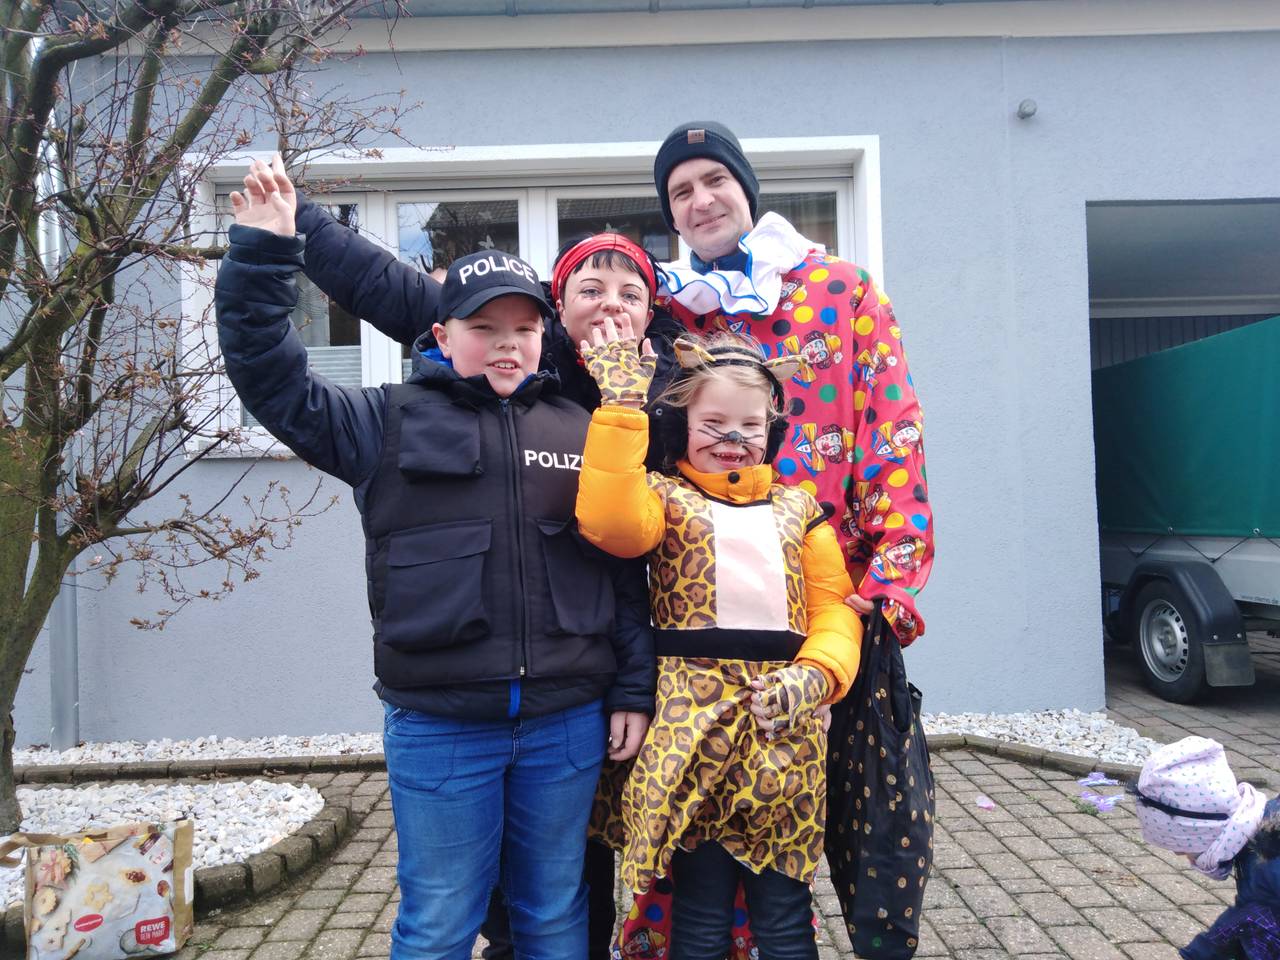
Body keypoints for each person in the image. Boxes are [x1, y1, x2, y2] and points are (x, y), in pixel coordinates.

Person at [215, 157, 655, 959]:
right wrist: (264, 253)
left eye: (523, 329)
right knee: (440, 918)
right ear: (443, 336)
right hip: (443, 727)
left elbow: (620, 570)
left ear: (543, 336)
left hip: (565, 724)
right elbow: (271, 380)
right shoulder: (382, 422)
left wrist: (631, 687)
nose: (506, 344)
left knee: (556, 911)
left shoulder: (585, 428)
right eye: (484, 328)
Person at [575, 320, 863, 960]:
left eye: (750, 426)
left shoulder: (801, 510)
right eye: (713, 424)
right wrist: (620, 410)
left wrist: (818, 674)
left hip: (786, 734)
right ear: (681, 426)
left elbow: (833, 609)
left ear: (772, 431)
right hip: (692, 734)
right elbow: (609, 523)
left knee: (784, 913)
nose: (733, 439)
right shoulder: (663, 498)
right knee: (700, 909)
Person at [650, 121, 933, 644]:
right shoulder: (666, 309)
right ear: (672, 216)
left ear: (746, 189)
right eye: (681, 192)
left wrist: (890, 581)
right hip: (698, 607)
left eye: (716, 180)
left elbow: (892, 433)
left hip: (830, 599)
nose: (702, 201)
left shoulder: (843, 291)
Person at [1132, 736, 1280, 960]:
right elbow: (1246, 913)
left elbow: (1244, 921)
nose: (1182, 856)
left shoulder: (1265, 871)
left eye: (1182, 848)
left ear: (1204, 833)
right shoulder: (1266, 823)